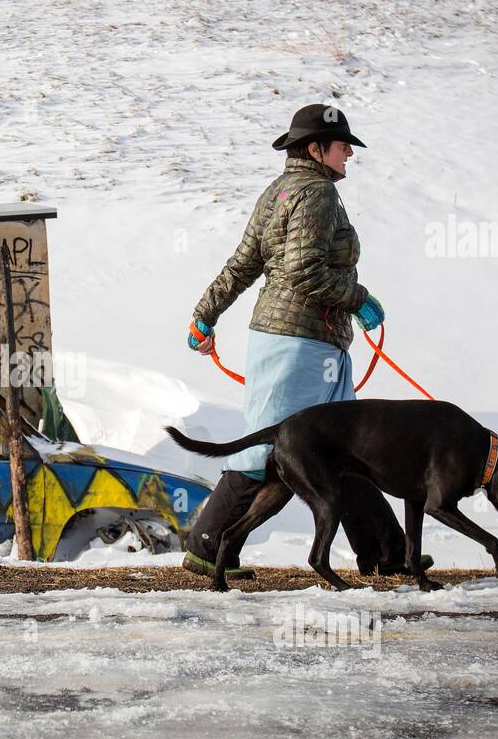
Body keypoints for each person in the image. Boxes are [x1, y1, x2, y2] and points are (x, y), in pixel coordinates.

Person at [182, 103, 431, 580]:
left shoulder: (278, 191)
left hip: (309, 343)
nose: (349, 156)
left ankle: (386, 551)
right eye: (343, 147)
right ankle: (208, 544)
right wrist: (357, 297)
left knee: (347, 450)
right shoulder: (315, 195)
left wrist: (205, 313)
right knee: (268, 450)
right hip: (298, 345)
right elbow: (303, 271)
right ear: (316, 149)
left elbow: (242, 264)